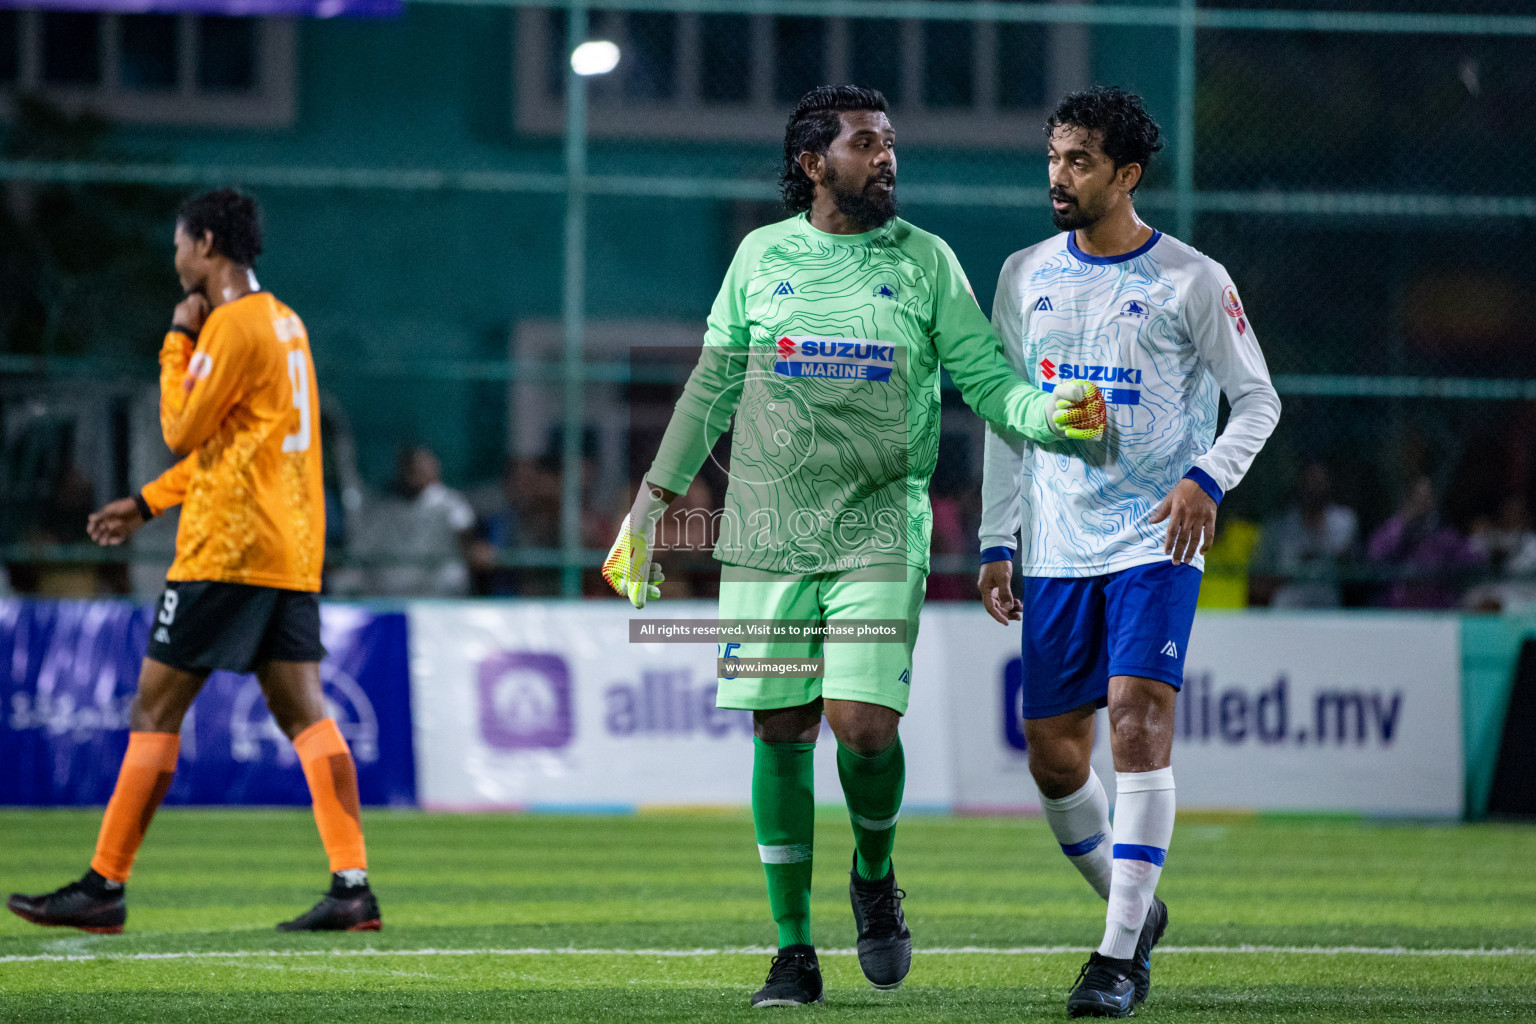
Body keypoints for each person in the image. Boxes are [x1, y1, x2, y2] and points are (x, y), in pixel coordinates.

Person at [601, 85, 1105, 1007]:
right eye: (867, 143)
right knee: (781, 726)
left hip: (880, 525)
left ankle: (874, 872)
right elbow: (712, 386)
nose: (886, 158)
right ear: (812, 163)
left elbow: (989, 382)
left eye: (890, 143)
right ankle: (793, 951)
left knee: (864, 728)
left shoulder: (925, 261)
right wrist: (650, 510)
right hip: (764, 531)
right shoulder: (760, 257)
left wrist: (1048, 412)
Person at [976, 87, 1280, 1018]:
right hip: (1059, 547)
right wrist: (998, 535)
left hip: (1158, 539)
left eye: (1079, 161)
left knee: (1138, 723)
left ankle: (1116, 961)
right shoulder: (1025, 273)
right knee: (1055, 758)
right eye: (1055, 157)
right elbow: (1006, 414)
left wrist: (1207, 477)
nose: (1059, 177)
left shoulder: (1192, 277)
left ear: (1127, 174)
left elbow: (1258, 399)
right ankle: (1134, 907)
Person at [6, 189, 379, 935]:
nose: (175, 258)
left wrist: (177, 338)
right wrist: (144, 504)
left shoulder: (229, 327)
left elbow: (180, 428)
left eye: (180, 244)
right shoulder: (285, 322)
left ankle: (105, 885)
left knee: (154, 708)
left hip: (229, 551)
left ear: (206, 243)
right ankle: (352, 885)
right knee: (303, 710)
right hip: (290, 548)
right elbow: (236, 449)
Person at [349, 445, 476, 597]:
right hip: (389, 595)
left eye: (422, 467)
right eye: (411, 468)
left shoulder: (450, 503)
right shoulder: (384, 507)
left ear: (435, 469)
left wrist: (472, 547)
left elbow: (466, 534)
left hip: (438, 595)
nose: (416, 473)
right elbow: (361, 549)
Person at [1250, 462, 1358, 607]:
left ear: (1329, 484)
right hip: (1288, 611)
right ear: (1300, 485)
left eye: (1319, 483)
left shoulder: (1344, 521)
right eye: (1310, 482)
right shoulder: (1280, 526)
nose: (1314, 489)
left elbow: (1351, 568)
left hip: (1329, 610)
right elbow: (1259, 580)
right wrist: (1291, 573)